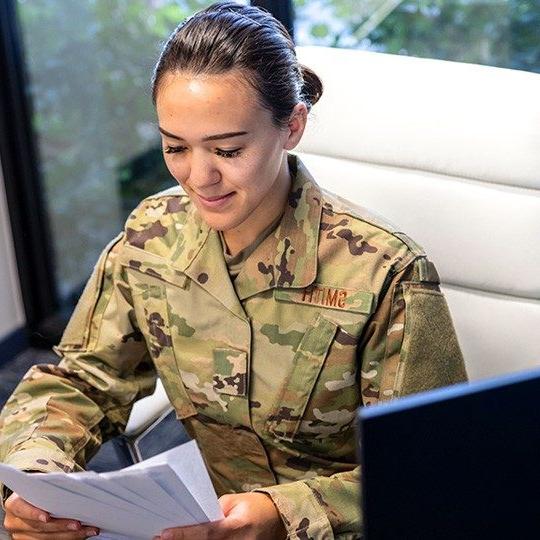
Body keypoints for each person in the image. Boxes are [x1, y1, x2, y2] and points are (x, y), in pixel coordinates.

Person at [0, 2, 468, 539]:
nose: (199, 178)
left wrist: (280, 513)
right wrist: (35, 480)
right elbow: (81, 381)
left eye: (227, 149)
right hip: (197, 521)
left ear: (291, 125)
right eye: (175, 147)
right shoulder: (153, 236)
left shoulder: (384, 273)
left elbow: (434, 469)